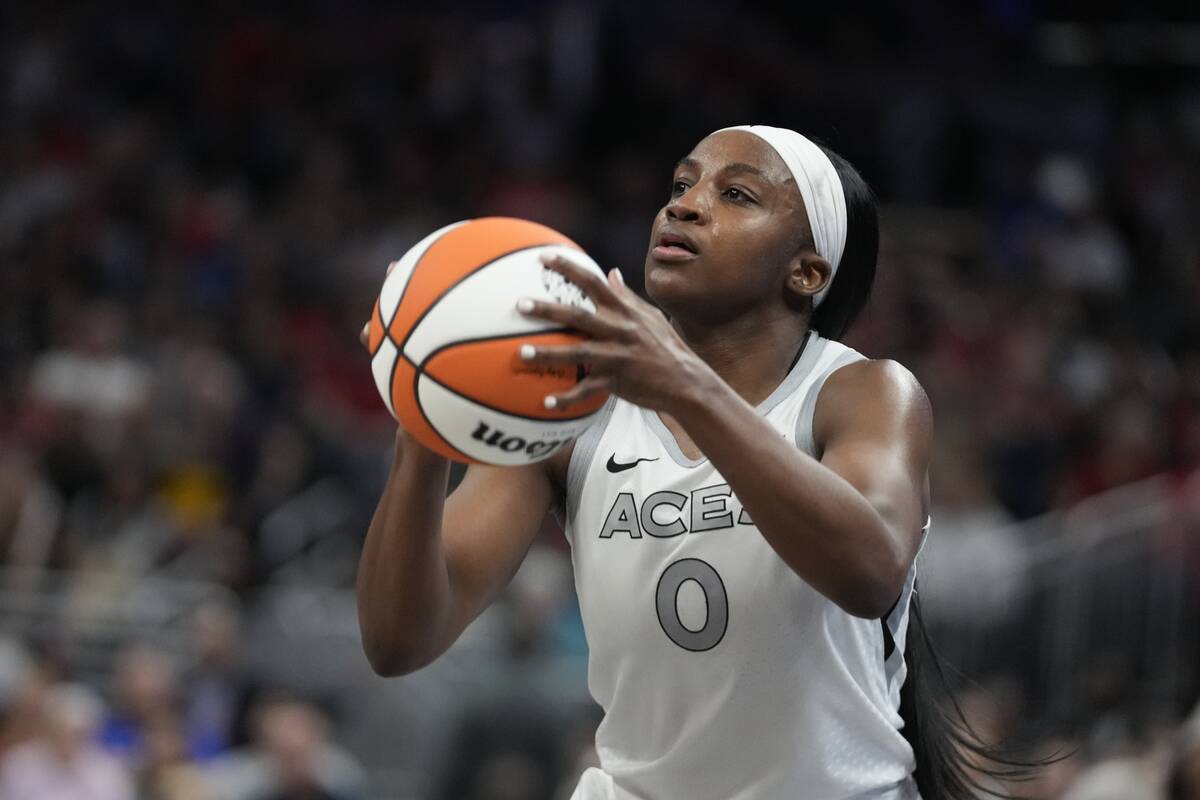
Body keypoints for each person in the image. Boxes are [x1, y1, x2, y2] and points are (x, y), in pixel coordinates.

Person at [356, 125, 1019, 799]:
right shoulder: (572, 407)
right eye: (681, 184)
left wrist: (685, 387)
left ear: (806, 271)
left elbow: (871, 566)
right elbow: (399, 640)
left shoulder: (861, 391)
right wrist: (423, 424)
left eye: (736, 194)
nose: (686, 204)